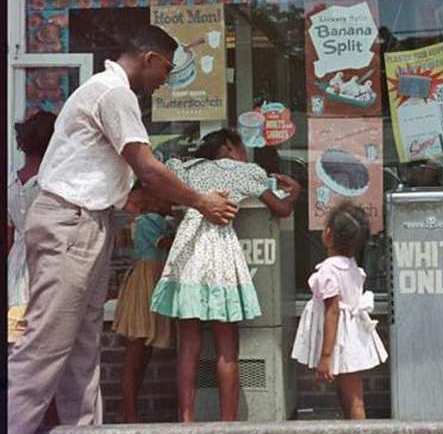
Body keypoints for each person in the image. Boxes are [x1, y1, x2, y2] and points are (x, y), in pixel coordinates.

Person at [7, 25, 238, 434]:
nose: (164, 83)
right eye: (165, 72)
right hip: (70, 224)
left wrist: (166, 202)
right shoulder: (115, 93)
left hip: (84, 222)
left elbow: (129, 191)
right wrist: (201, 202)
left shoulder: (105, 92)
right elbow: (147, 169)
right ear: (149, 59)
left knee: (81, 349)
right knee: (45, 348)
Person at [149, 128, 301, 422]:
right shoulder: (245, 172)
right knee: (227, 344)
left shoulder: (187, 169)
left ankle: (187, 420)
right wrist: (294, 194)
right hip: (219, 250)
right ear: (230, 146)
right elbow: (280, 209)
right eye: (242, 147)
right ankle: (228, 423)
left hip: (188, 250)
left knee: (189, 341)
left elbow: (162, 188)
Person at [291, 200, 388, 420]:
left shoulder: (328, 270)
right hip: (350, 336)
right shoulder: (351, 265)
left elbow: (332, 313)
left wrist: (326, 356)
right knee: (349, 393)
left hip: (340, 341)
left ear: (327, 234)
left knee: (353, 398)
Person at [7, 110, 62, 428]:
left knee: (19, 349)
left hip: (17, 267)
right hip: (45, 265)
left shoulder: (14, 182)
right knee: (47, 353)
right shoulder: (52, 183)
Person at [111, 185, 176, 423]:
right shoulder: (148, 220)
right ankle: (129, 413)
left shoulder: (159, 219)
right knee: (136, 351)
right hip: (144, 287)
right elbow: (166, 244)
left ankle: (126, 411)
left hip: (154, 284)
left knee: (142, 352)